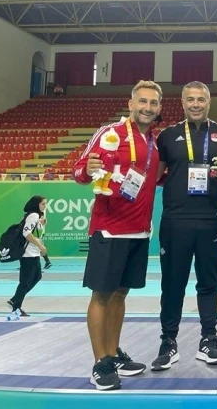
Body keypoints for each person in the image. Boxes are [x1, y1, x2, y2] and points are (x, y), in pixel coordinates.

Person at [73, 80, 162, 391]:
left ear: (159, 108)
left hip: (139, 231)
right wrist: (89, 169)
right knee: (101, 294)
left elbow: (158, 177)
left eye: (153, 103)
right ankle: (100, 363)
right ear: (131, 104)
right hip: (109, 229)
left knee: (121, 294)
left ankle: (112, 352)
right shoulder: (110, 133)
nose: (147, 108)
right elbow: (79, 172)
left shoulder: (154, 141)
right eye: (143, 101)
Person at [151, 82, 217, 371]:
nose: (196, 104)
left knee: (209, 283)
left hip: (213, 220)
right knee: (172, 284)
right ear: (182, 102)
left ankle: (209, 340)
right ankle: (168, 342)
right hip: (175, 221)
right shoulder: (168, 135)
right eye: (191, 99)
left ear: (209, 102)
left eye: (201, 99)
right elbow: (154, 177)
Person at [7, 196, 48, 318]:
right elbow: (26, 233)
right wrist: (40, 246)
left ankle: (15, 299)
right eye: (43, 204)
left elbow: (34, 232)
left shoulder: (36, 217)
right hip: (28, 254)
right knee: (25, 282)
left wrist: (41, 224)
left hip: (33, 253)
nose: (45, 206)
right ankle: (16, 307)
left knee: (37, 276)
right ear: (36, 204)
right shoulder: (33, 215)